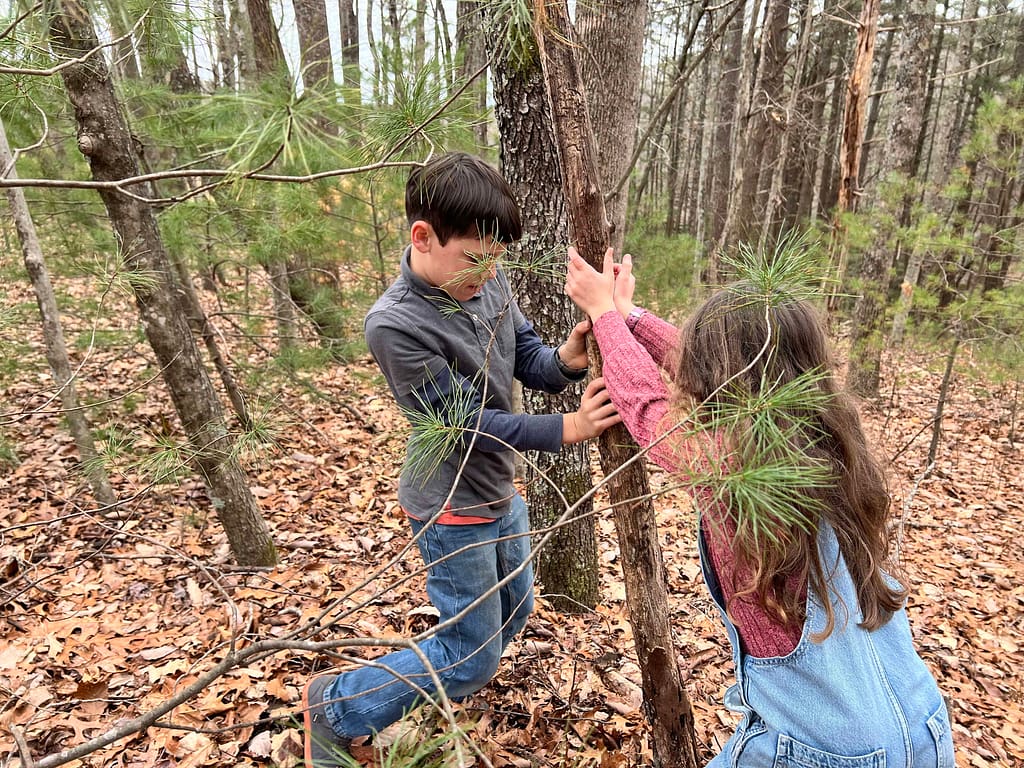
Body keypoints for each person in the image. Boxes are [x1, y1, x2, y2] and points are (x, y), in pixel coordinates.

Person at [565, 247, 955, 767]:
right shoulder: (832, 439)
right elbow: (708, 362)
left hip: (824, 751)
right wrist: (628, 316)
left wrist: (605, 319)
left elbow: (649, 410)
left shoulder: (735, 464)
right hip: (925, 729)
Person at [301, 153, 621, 767]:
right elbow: (464, 426)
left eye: (495, 261)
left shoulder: (483, 272)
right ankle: (337, 709)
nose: (488, 275)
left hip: (502, 489)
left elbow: (521, 349)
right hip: (453, 508)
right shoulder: (393, 326)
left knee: (518, 607)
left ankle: (434, 685)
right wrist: (570, 427)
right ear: (423, 237)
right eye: (475, 260)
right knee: (472, 654)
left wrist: (566, 359)